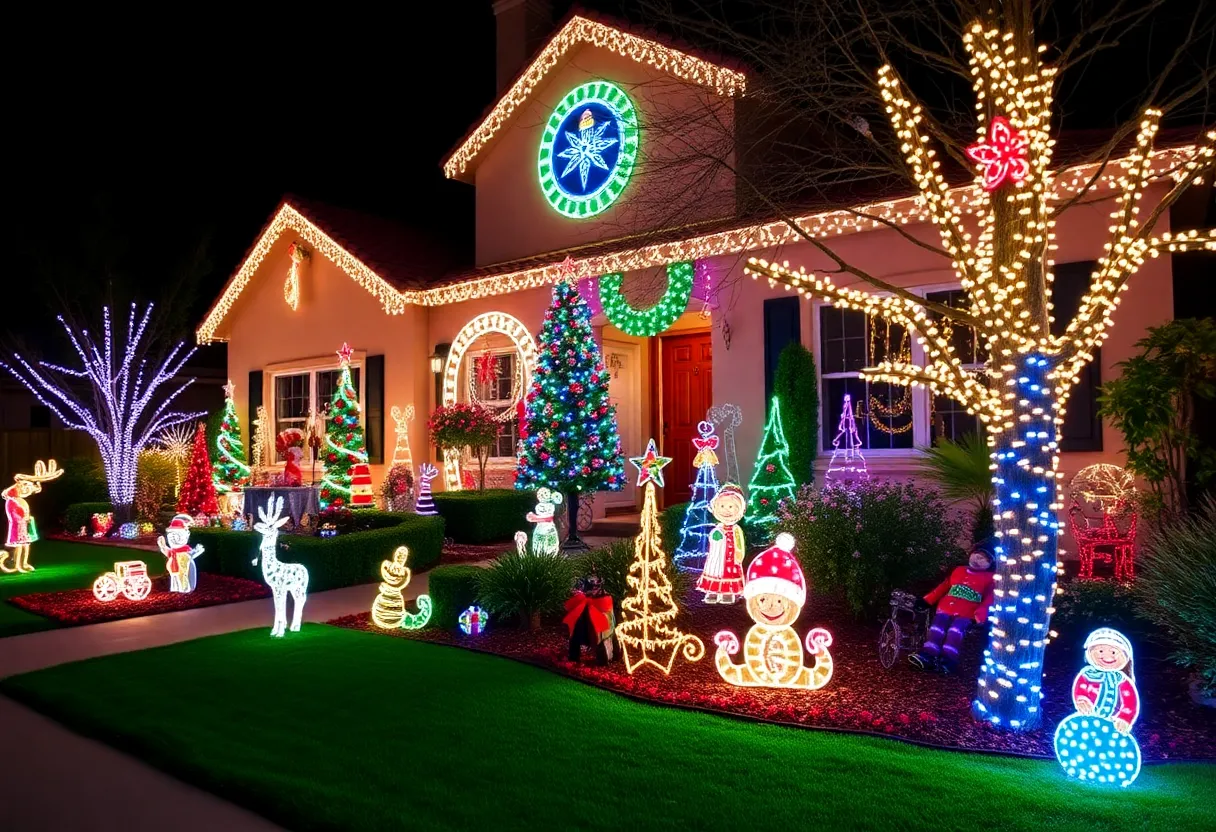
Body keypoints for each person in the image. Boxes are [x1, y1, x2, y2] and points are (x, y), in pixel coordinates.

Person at [908, 537, 997, 673]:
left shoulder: (990, 579)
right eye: (976, 554)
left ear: (990, 563)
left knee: (955, 631)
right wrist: (927, 600)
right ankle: (928, 654)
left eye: (984, 558)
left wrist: (980, 616)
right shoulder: (958, 570)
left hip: (967, 612)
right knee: (936, 628)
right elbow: (943, 587)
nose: (978, 559)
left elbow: (989, 599)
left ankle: (948, 660)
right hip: (946, 608)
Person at [696, 483, 747, 603]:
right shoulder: (717, 529)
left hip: (731, 560)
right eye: (722, 506)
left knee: (730, 575)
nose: (726, 510)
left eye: (730, 506)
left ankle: (727, 593)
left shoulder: (736, 529)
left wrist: (739, 554)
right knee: (714, 572)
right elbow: (713, 540)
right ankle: (712, 592)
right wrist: (715, 538)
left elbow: (739, 542)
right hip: (717, 560)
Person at [157, 514, 205, 593]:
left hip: (185, 570)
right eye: (171, 535)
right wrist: (163, 546)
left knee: (184, 579)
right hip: (174, 570)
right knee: (175, 580)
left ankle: (186, 589)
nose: (174, 538)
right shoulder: (172, 551)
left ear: (186, 535)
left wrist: (197, 550)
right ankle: (175, 590)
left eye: (177, 535)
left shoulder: (186, 550)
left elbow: (190, 555)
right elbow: (167, 552)